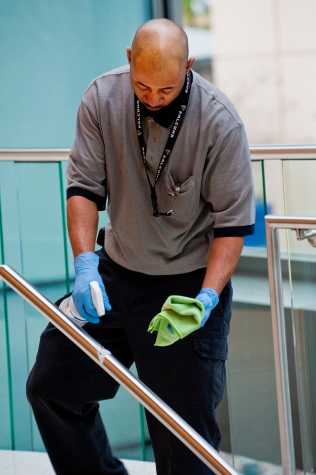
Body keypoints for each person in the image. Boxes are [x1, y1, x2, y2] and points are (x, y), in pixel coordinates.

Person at [26, 18, 254, 475]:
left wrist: (206, 299)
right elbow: (85, 189)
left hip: (186, 288)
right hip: (115, 273)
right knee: (52, 384)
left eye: (166, 90)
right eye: (143, 86)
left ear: (188, 67)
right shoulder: (101, 97)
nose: (152, 99)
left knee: (184, 440)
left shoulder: (220, 121)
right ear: (130, 61)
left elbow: (232, 226)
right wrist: (85, 263)